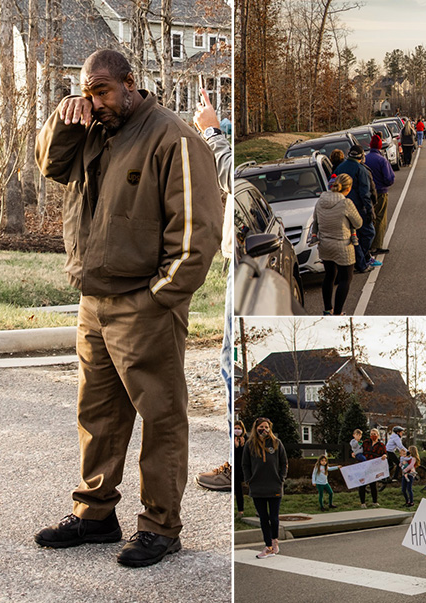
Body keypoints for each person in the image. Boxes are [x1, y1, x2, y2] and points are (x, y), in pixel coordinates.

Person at [33, 49, 222, 568]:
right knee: (97, 414)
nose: (94, 102)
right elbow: (50, 164)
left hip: (145, 304)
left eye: (101, 91)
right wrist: (66, 118)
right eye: (86, 92)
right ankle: (95, 513)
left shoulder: (173, 137)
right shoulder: (91, 129)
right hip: (94, 299)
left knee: (160, 417)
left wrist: (157, 298)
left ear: (130, 83)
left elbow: (197, 236)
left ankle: (161, 526)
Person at [193, 86, 235, 492]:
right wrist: (216, 125)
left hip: (245, 268)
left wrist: (212, 133)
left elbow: (233, 178)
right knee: (230, 364)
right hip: (239, 262)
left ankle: (236, 463)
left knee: (230, 365)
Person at [310, 173, 363, 315]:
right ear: (348, 188)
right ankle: (338, 313)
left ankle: (327, 309)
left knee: (329, 275)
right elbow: (358, 223)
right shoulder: (346, 203)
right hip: (343, 245)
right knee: (346, 278)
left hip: (325, 245)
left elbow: (316, 219)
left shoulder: (321, 200)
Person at [242, 417, 288, 559]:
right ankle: (267, 546)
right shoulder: (250, 445)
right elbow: (245, 464)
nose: (264, 429)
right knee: (263, 518)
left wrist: (281, 478)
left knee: (274, 518)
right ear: (256, 428)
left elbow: (284, 463)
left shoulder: (276, 443)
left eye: (266, 427)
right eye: (261, 427)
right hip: (257, 487)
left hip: (274, 486)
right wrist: (249, 480)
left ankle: (275, 541)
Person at [334, 146, 376, 274]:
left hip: (340, 206)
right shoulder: (360, 169)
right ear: (361, 156)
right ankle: (360, 260)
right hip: (357, 208)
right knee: (368, 233)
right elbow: (365, 193)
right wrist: (370, 210)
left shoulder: (340, 167)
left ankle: (359, 260)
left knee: (353, 234)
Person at [365, 133, 395, 256]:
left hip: (367, 193)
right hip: (381, 192)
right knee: (380, 218)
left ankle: (369, 244)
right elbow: (389, 178)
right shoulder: (382, 160)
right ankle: (377, 245)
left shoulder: (365, 159)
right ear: (379, 146)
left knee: (369, 218)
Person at [358, 428, 387, 508]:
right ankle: (363, 503)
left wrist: (384, 456)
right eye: (371, 434)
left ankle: (374, 502)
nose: (373, 435)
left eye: (374, 434)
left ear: (377, 435)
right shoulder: (366, 442)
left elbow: (384, 453)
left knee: (373, 485)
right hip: (364, 465)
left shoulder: (381, 445)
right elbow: (359, 449)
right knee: (362, 484)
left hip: (374, 467)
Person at [231, 420, 248, 518]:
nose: (237, 430)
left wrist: (242, 445)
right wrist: (235, 446)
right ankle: (240, 510)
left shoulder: (246, 439)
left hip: (244, 467)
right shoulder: (232, 439)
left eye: (239, 428)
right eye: (235, 428)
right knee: (238, 490)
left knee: (251, 488)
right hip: (235, 468)